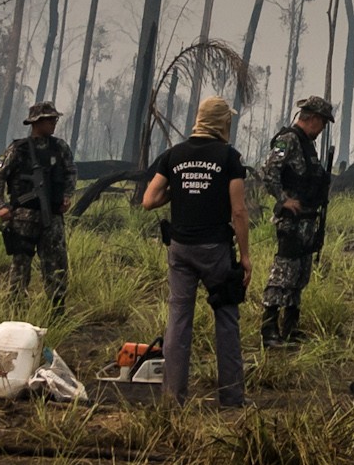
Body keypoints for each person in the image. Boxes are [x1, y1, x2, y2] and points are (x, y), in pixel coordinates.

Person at [142, 95, 252, 407]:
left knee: (178, 321)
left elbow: (149, 200)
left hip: (180, 249)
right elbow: (239, 212)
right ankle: (231, 398)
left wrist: (176, 192)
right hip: (215, 249)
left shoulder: (174, 155)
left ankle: (172, 398)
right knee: (227, 318)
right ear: (222, 123)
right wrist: (245, 256)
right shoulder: (229, 158)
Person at [255, 95, 333, 348]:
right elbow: (268, 170)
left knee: (299, 275)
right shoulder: (288, 139)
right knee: (283, 273)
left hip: (308, 219)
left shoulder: (308, 144)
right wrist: (283, 199)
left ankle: (290, 328)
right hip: (292, 219)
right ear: (313, 119)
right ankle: (269, 331)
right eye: (322, 123)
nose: (322, 129)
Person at [0, 101, 76, 309]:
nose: (54, 123)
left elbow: (70, 173)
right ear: (37, 122)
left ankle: (57, 309)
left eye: (55, 119)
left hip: (52, 218)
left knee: (56, 264)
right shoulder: (18, 149)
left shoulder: (60, 147)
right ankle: (16, 308)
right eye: (50, 119)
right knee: (20, 266)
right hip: (22, 218)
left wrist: (66, 196)